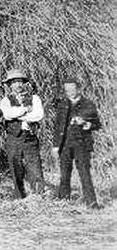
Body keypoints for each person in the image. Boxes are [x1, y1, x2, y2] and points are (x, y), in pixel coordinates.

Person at [52, 78, 102, 208]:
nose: (70, 92)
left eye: (72, 89)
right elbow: (57, 127)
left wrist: (86, 123)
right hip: (65, 144)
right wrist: (56, 146)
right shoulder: (62, 104)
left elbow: (97, 124)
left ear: (78, 88)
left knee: (84, 173)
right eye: (67, 90)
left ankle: (91, 203)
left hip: (82, 144)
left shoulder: (88, 104)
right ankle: (64, 201)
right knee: (64, 173)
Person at [0, 69, 46, 199]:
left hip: (29, 137)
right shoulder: (5, 101)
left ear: (24, 83)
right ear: (10, 85)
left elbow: (38, 115)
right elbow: (7, 115)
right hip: (13, 137)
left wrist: (19, 116)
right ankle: (19, 196)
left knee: (34, 166)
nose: (18, 85)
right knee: (15, 167)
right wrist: (25, 110)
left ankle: (38, 197)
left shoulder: (35, 98)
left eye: (20, 81)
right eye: (14, 82)